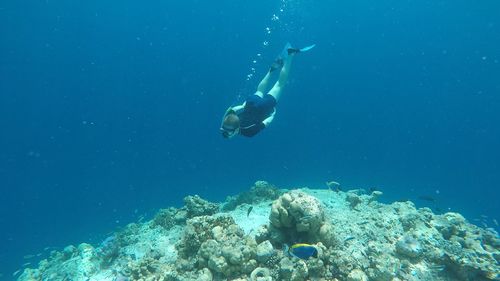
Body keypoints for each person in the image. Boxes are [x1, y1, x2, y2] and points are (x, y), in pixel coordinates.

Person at [220, 42, 315, 138]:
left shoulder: (248, 132)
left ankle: (290, 55)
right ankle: (271, 71)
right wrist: (243, 106)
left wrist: (272, 115)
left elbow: (265, 123)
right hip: (250, 103)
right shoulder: (226, 119)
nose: (226, 134)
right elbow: (234, 109)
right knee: (260, 90)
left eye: (227, 132)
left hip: (263, 107)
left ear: (236, 130)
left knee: (279, 84)